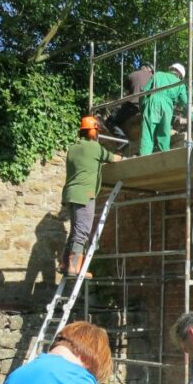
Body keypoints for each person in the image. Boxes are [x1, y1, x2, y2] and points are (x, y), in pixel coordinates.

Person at [60, 115, 121, 278]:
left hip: (69, 194)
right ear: (93, 131)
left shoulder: (72, 148)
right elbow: (113, 158)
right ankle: (73, 268)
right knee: (82, 231)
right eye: (97, 132)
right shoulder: (95, 148)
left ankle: (65, 264)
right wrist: (125, 157)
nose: (98, 135)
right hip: (84, 195)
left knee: (75, 230)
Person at [138, 63, 188, 156]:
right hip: (167, 107)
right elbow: (184, 103)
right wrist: (192, 116)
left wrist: (143, 107)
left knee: (147, 132)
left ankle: (144, 156)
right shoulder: (180, 84)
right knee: (164, 133)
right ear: (180, 75)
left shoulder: (158, 74)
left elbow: (144, 92)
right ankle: (165, 156)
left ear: (171, 68)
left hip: (152, 102)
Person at [106, 63, 154, 136]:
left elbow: (127, 92)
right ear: (150, 70)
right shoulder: (155, 78)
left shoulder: (133, 75)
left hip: (133, 106)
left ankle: (122, 139)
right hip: (149, 107)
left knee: (110, 121)